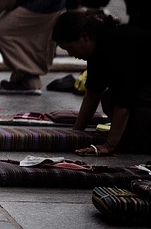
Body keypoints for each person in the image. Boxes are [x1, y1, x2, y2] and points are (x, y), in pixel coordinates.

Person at [51, 9, 151, 155]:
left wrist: (109, 145)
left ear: (84, 37)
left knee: (119, 106)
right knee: (108, 99)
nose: (71, 54)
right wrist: (76, 133)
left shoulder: (116, 46)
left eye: (70, 48)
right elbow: (92, 94)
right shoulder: (97, 46)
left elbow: (123, 102)